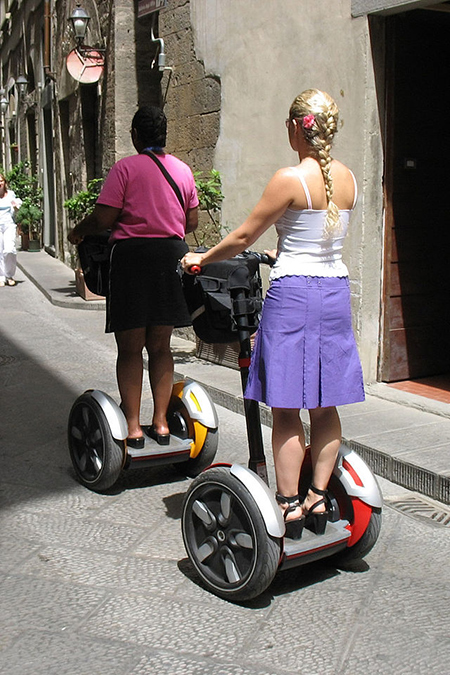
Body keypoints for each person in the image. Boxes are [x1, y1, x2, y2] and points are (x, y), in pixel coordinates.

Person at [181, 89, 364, 539]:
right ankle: (318, 497)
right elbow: (318, 237)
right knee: (324, 406)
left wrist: (201, 257)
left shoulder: (289, 178)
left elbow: (243, 235)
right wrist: (281, 249)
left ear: (294, 128)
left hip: (295, 296)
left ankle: (287, 506)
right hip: (334, 294)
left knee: (286, 407)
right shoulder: (349, 180)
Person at [68, 106, 198, 448]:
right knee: (161, 345)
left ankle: (133, 427)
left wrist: (77, 231)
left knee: (130, 348)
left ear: (135, 136)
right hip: (171, 257)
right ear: (164, 135)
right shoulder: (183, 171)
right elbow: (192, 222)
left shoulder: (125, 168)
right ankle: (161, 424)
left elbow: (103, 218)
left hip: (133, 259)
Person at [0, 173, 22, 287]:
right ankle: (1, 276)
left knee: (9, 250)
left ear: (5, 183)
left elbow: (17, 207)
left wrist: (15, 207)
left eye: (1, 181)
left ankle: (9, 275)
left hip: (9, 225)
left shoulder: (11, 195)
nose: (0, 183)